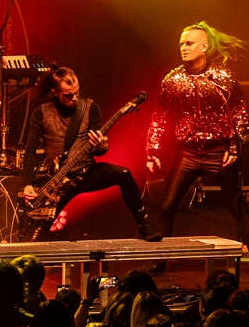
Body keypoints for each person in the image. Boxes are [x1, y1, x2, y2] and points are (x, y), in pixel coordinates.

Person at [146, 21, 249, 270]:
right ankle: (159, 261)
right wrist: (152, 150)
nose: (183, 48)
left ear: (204, 47)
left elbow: (239, 111)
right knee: (166, 207)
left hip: (219, 151)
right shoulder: (173, 80)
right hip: (188, 152)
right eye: (181, 44)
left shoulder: (221, 77)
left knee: (237, 205)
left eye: (189, 43)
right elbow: (160, 115)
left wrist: (234, 146)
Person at [19, 64, 157, 240]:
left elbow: (98, 151)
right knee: (36, 236)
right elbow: (30, 151)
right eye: (68, 95)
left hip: (86, 173)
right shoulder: (41, 112)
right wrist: (28, 184)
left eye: (77, 92)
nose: (75, 98)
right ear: (55, 92)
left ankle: (144, 224)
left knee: (123, 174)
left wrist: (102, 145)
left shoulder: (90, 107)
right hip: (57, 181)